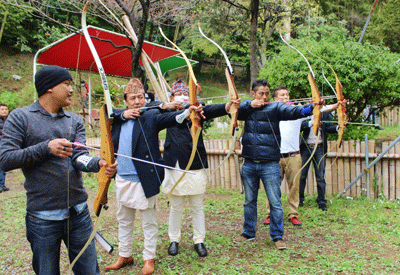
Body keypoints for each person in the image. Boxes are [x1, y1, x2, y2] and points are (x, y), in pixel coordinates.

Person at [0, 65, 118, 275]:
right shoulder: (20, 117)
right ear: (49, 88)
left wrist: (97, 164)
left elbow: (78, 158)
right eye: (67, 84)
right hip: (43, 217)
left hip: (79, 214)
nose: (72, 90)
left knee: (89, 271)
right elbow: (5, 159)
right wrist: (46, 148)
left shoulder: (74, 120)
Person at [105, 78, 203, 275]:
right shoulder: (117, 117)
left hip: (144, 178)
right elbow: (106, 112)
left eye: (140, 97)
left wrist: (187, 111)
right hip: (123, 177)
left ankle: (148, 258)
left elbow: (170, 118)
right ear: (125, 101)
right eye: (132, 98)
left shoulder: (150, 116)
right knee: (124, 219)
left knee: (149, 222)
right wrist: (123, 114)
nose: (137, 101)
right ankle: (125, 254)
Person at [234, 79, 319, 250]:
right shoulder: (246, 109)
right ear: (253, 94)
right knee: (249, 200)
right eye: (261, 94)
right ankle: (248, 232)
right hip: (249, 162)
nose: (264, 97)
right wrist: (251, 105)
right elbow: (233, 110)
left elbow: (294, 111)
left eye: (267, 93)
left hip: (270, 163)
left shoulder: (276, 107)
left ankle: (277, 236)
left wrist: (312, 107)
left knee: (275, 202)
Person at [161, 79, 240, 258]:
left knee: (197, 206)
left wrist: (228, 105)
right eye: (178, 94)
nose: (182, 96)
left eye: (186, 94)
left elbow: (214, 109)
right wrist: (167, 105)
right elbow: (152, 108)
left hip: (194, 163)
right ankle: (174, 239)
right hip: (174, 163)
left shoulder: (198, 109)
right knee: (176, 206)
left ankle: (199, 240)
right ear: (172, 96)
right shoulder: (165, 111)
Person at [263, 86, 306, 227]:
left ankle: (293, 214)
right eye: (282, 95)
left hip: (293, 156)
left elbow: (318, 110)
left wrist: (334, 105)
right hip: (275, 156)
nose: (286, 97)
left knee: (294, 186)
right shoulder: (270, 113)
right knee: (272, 186)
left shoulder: (296, 112)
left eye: (287, 95)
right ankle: (270, 214)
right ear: (275, 99)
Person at [299, 101, 345, 211]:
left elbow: (328, 127)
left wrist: (337, 128)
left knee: (320, 176)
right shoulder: (305, 112)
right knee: (302, 175)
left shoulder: (324, 113)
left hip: (319, 148)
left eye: (320, 102)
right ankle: (299, 199)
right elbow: (300, 126)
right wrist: (312, 122)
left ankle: (321, 201)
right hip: (306, 148)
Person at [0, 103, 9, 193]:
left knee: (3, 165)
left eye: (6, 109)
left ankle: (2, 185)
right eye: (2, 109)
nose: (4, 111)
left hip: (5, 145)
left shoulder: (9, 120)